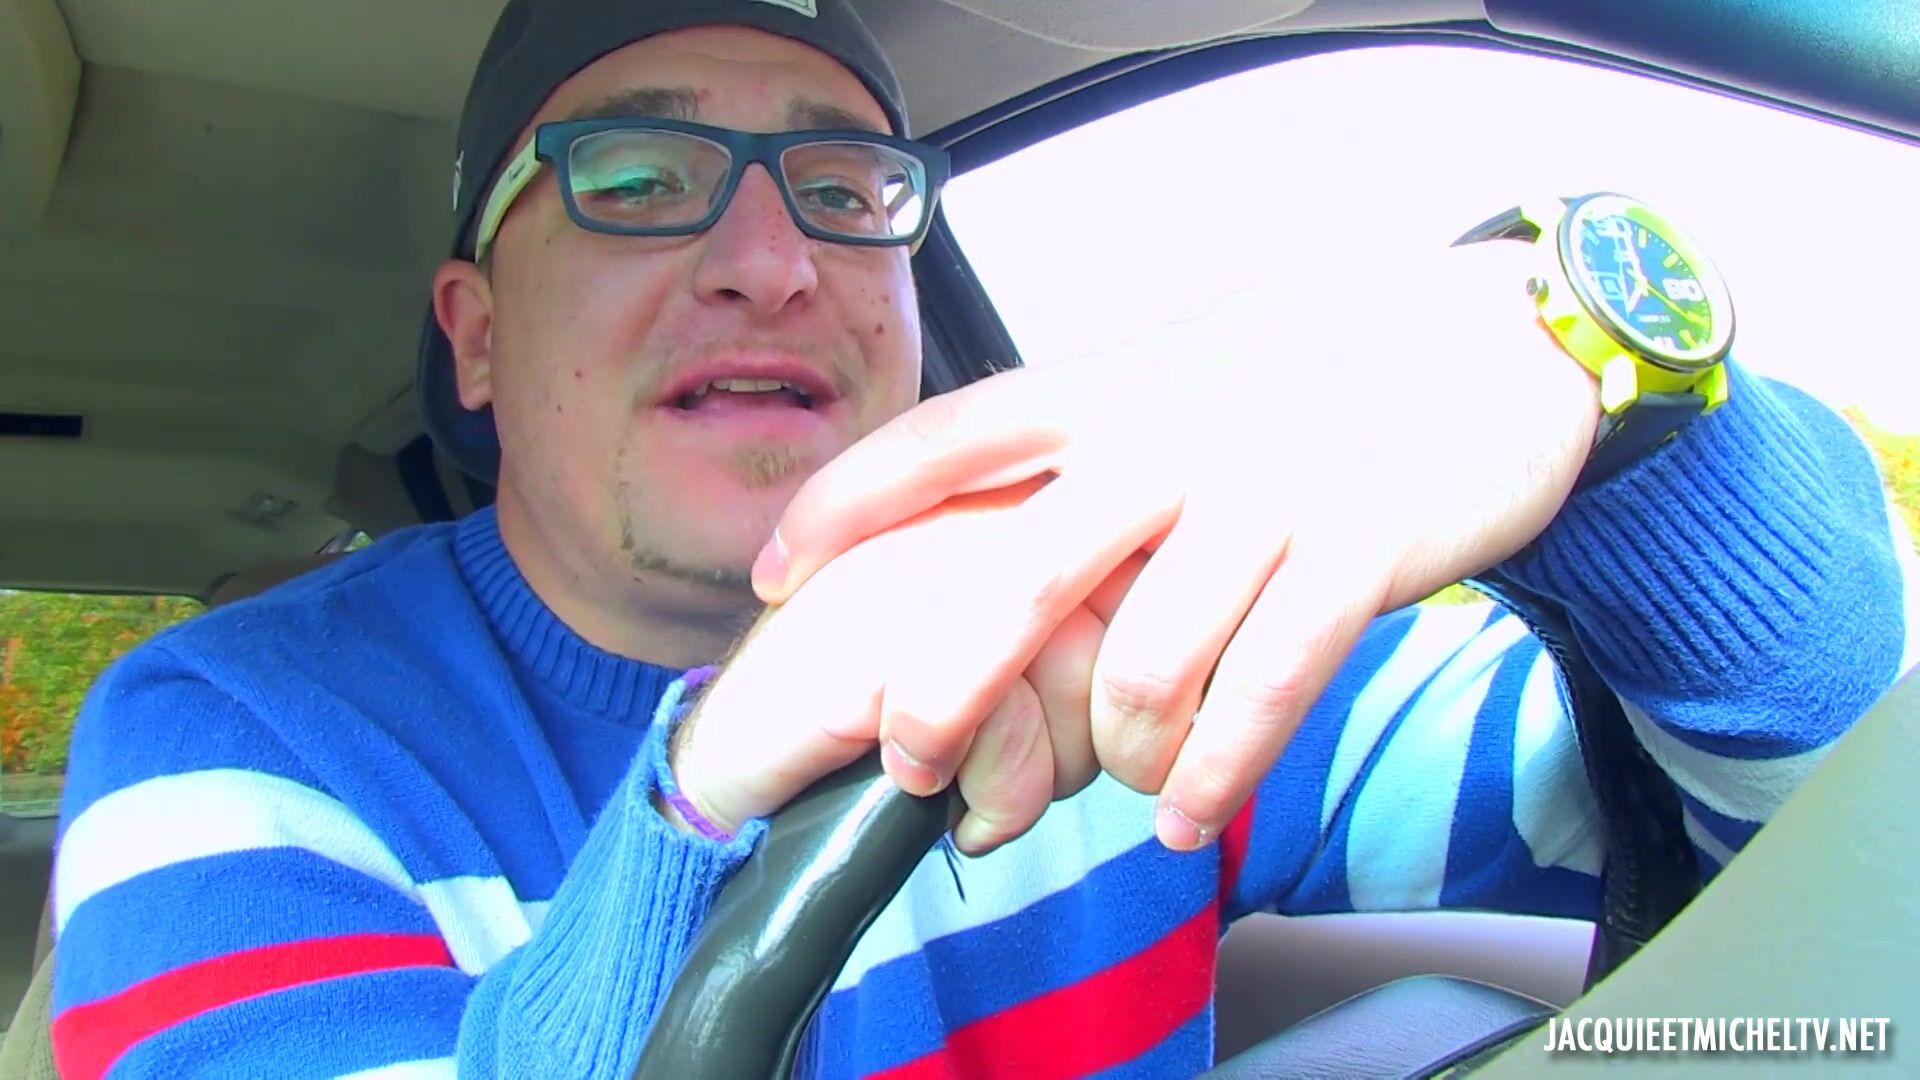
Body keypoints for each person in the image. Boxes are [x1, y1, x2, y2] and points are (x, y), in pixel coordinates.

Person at [45, 0, 1917, 1076]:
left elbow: (1820, 827)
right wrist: (708, 796)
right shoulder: (233, 739)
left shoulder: (1099, 620)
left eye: (846, 185)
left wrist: (1604, 387)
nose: (771, 260)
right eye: (636, 176)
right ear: (472, 333)